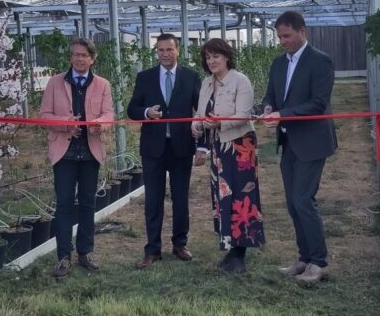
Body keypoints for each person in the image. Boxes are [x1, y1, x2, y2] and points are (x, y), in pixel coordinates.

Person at [260, 11, 337, 285]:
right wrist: (269, 107)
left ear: (302, 32)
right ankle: (304, 258)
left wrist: (283, 114)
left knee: (304, 200)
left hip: (312, 142)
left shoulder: (320, 61)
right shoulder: (278, 64)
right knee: (293, 203)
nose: (283, 41)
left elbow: (318, 103)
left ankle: (319, 262)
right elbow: (271, 94)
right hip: (289, 142)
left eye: (287, 36)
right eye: (279, 36)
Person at [40, 38, 114, 279]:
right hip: (65, 153)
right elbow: (44, 116)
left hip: (90, 152)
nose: (79, 59)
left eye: (84, 55)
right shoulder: (55, 83)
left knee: (87, 204)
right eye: (75, 55)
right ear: (70, 58)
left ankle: (85, 251)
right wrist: (65, 125)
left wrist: (99, 126)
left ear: (92, 59)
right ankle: (63, 256)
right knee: (63, 204)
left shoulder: (102, 84)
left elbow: (108, 114)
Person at [127, 33, 201, 268]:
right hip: (153, 148)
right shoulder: (145, 77)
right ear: (156, 52)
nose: (165, 54)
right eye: (160, 50)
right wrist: (147, 112)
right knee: (153, 200)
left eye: (169, 50)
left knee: (180, 198)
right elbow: (132, 109)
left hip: (181, 147)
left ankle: (180, 244)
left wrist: (202, 146)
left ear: (178, 50)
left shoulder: (191, 77)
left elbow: (200, 112)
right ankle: (153, 249)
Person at [192, 38, 265, 274]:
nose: (212, 61)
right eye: (208, 57)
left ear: (226, 57)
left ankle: (240, 253)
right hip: (218, 146)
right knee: (222, 195)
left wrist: (216, 123)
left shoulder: (240, 81)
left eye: (216, 56)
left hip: (239, 145)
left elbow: (244, 115)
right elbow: (202, 112)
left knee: (241, 197)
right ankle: (230, 247)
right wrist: (197, 125)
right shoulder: (206, 83)